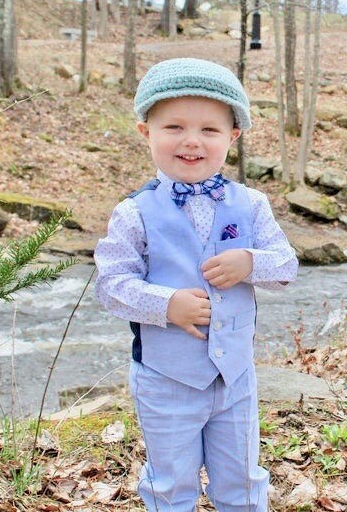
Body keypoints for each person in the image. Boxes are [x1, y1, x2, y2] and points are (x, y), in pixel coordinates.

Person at [94, 58, 298, 512]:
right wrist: (166, 303)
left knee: (242, 480)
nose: (192, 141)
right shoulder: (134, 212)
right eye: (174, 127)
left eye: (209, 129)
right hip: (165, 379)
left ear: (233, 136)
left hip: (235, 377)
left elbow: (286, 266)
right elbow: (110, 284)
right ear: (146, 132)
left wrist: (250, 262)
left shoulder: (251, 204)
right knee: (170, 484)